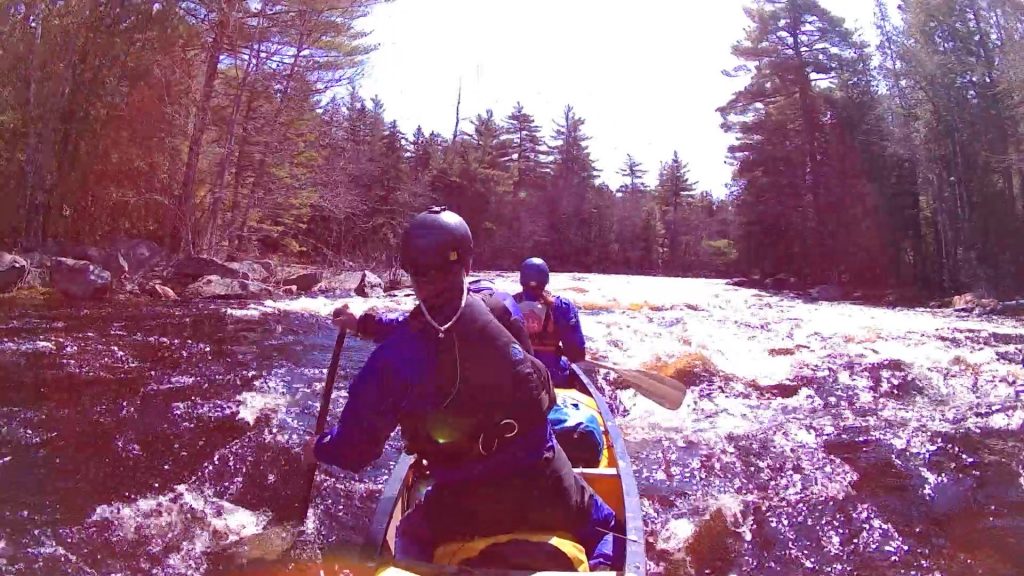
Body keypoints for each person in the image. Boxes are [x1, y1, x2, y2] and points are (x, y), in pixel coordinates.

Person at [304, 207, 617, 570]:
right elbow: (446, 326)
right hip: (545, 483)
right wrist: (366, 324)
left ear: (409, 272)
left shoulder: (394, 358)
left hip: (464, 504)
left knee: (409, 535)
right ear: (468, 264)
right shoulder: (504, 309)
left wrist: (318, 449)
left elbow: (355, 451)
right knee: (606, 526)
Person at [513, 257, 587, 389]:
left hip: (517, 375)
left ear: (521, 279)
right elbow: (577, 354)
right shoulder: (563, 306)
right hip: (554, 376)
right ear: (546, 280)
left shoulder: (507, 304)